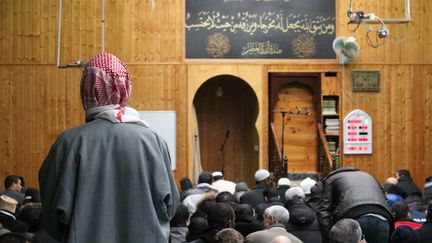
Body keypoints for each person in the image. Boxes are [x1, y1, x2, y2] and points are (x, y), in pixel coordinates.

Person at [38, 53, 179, 243]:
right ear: (125, 88)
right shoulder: (154, 141)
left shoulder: (68, 143)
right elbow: (169, 207)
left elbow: (53, 218)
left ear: (87, 90)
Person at [317, 167, 393, 243]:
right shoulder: (368, 175)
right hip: (383, 216)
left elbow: (323, 211)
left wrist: (329, 238)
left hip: (353, 217)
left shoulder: (331, 179)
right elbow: (385, 199)